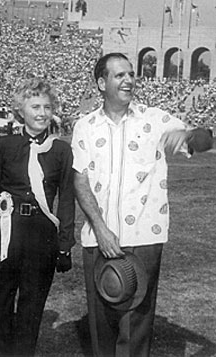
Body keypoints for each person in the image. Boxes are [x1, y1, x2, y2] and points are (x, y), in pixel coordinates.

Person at [71, 52, 213, 357]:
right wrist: (101, 229)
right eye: (119, 75)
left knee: (137, 328)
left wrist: (192, 135)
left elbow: (202, 141)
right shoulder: (85, 126)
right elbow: (80, 181)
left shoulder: (155, 119)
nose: (128, 80)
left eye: (131, 74)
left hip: (145, 238)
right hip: (98, 238)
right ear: (101, 82)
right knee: (103, 329)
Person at [0, 78, 76, 356]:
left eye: (47, 107)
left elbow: (67, 198)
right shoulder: (4, 146)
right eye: (34, 106)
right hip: (6, 234)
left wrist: (64, 245)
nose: (41, 112)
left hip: (41, 236)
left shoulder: (60, 150)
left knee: (31, 308)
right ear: (19, 110)